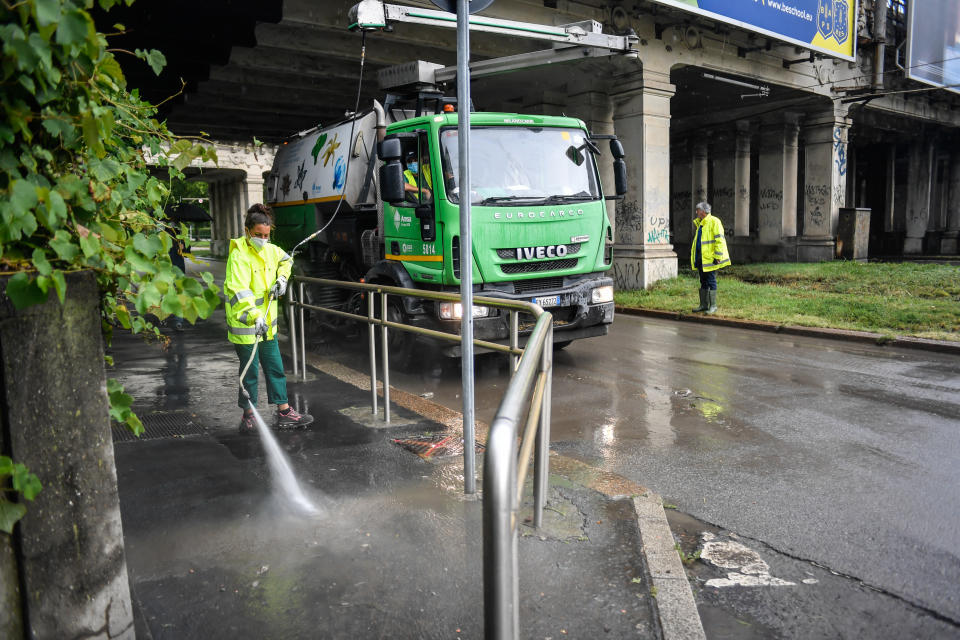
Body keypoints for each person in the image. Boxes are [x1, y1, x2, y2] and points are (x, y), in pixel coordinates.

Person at [225, 203, 313, 433]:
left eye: (266, 235)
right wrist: (254, 316)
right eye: (258, 235)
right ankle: (249, 414)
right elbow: (238, 291)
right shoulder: (238, 256)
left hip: (267, 327)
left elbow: (287, 260)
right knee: (250, 371)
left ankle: (284, 411)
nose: (263, 239)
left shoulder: (272, 251)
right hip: (246, 326)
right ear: (247, 231)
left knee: (275, 367)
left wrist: (282, 279)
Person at [690, 201, 730, 314]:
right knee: (703, 281)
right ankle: (703, 305)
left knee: (711, 280)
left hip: (710, 258)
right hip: (701, 258)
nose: (696, 212)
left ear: (703, 211)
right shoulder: (701, 223)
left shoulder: (714, 221)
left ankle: (713, 306)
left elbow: (719, 240)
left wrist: (717, 256)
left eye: (697, 210)